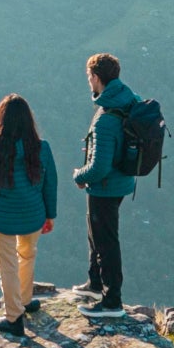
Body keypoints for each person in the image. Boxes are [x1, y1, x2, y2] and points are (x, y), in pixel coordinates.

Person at [0, 93, 57, 337]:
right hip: (33, 215)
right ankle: (26, 299)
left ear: (2, 119)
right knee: (27, 256)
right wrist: (50, 214)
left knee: (8, 266)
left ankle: (13, 318)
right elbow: (50, 183)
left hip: (3, 218)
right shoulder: (42, 148)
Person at [69, 52, 137, 315]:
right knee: (96, 233)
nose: (89, 82)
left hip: (106, 187)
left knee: (106, 241)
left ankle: (111, 301)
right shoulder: (128, 100)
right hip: (121, 182)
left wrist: (79, 176)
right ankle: (94, 283)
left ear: (96, 78)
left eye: (89, 78)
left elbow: (99, 166)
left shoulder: (106, 118)